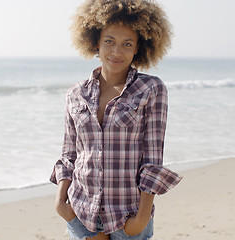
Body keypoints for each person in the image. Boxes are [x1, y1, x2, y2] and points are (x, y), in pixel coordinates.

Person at [50, 0, 182, 239]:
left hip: (128, 216)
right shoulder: (75, 93)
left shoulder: (150, 88)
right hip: (81, 213)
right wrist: (61, 204)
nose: (116, 52)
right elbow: (69, 154)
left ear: (138, 49)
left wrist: (142, 217)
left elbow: (153, 157)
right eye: (109, 41)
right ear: (96, 42)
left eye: (127, 44)